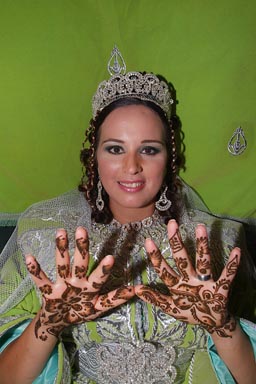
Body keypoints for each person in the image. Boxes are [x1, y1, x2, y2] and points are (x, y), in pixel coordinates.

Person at [0, 46, 255, 384]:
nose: (132, 166)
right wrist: (47, 324)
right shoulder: (46, 241)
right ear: (94, 158)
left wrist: (223, 328)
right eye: (115, 149)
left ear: (170, 158)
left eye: (149, 149)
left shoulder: (211, 243)